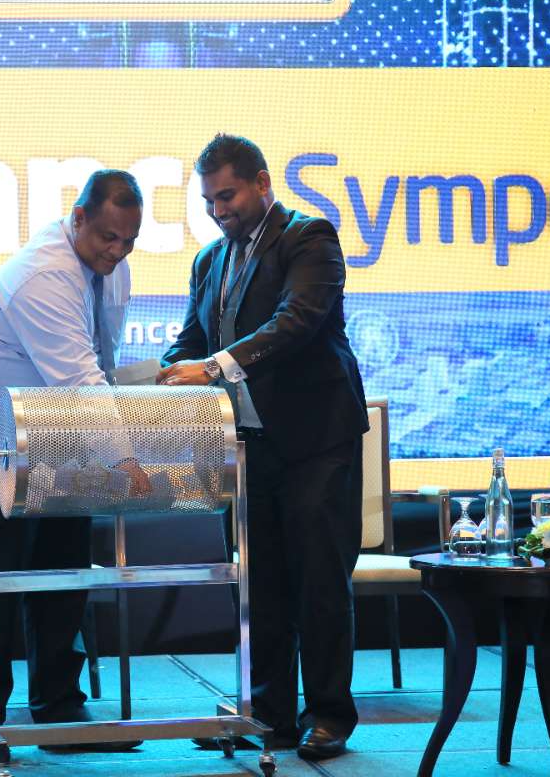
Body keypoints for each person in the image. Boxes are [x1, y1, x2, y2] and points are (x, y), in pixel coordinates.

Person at [158, 134, 368, 761]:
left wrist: (212, 367)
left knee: (318, 581)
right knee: (258, 585)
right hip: (246, 446)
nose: (218, 210)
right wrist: (160, 374)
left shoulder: (309, 237)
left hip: (316, 440)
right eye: (208, 201)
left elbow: (297, 321)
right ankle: (268, 714)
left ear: (261, 182)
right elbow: (193, 340)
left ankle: (328, 715)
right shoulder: (209, 260)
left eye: (227, 196)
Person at [0, 169, 150, 759]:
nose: (118, 250)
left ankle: (58, 705)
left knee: (64, 556)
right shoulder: (43, 274)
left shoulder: (112, 265)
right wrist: (125, 457)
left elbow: (100, 360)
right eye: (108, 237)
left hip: (54, 421)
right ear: (78, 218)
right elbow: (79, 380)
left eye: (129, 240)